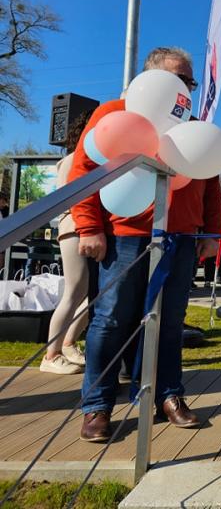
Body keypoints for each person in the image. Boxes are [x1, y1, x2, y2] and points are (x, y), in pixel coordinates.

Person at [69, 47, 221, 442]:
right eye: (180, 80)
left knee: (170, 322)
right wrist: (89, 227)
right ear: (152, 79)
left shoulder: (193, 124)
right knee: (112, 318)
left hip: (180, 239)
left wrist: (210, 233)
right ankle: (98, 405)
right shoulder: (113, 114)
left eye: (190, 81)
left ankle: (167, 396)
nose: (187, 88)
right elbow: (85, 170)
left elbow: (209, 184)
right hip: (124, 236)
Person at [40, 113, 94, 375]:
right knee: (74, 292)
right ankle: (51, 354)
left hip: (80, 227)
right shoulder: (73, 160)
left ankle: (68, 343)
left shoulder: (80, 158)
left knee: (88, 292)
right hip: (73, 226)